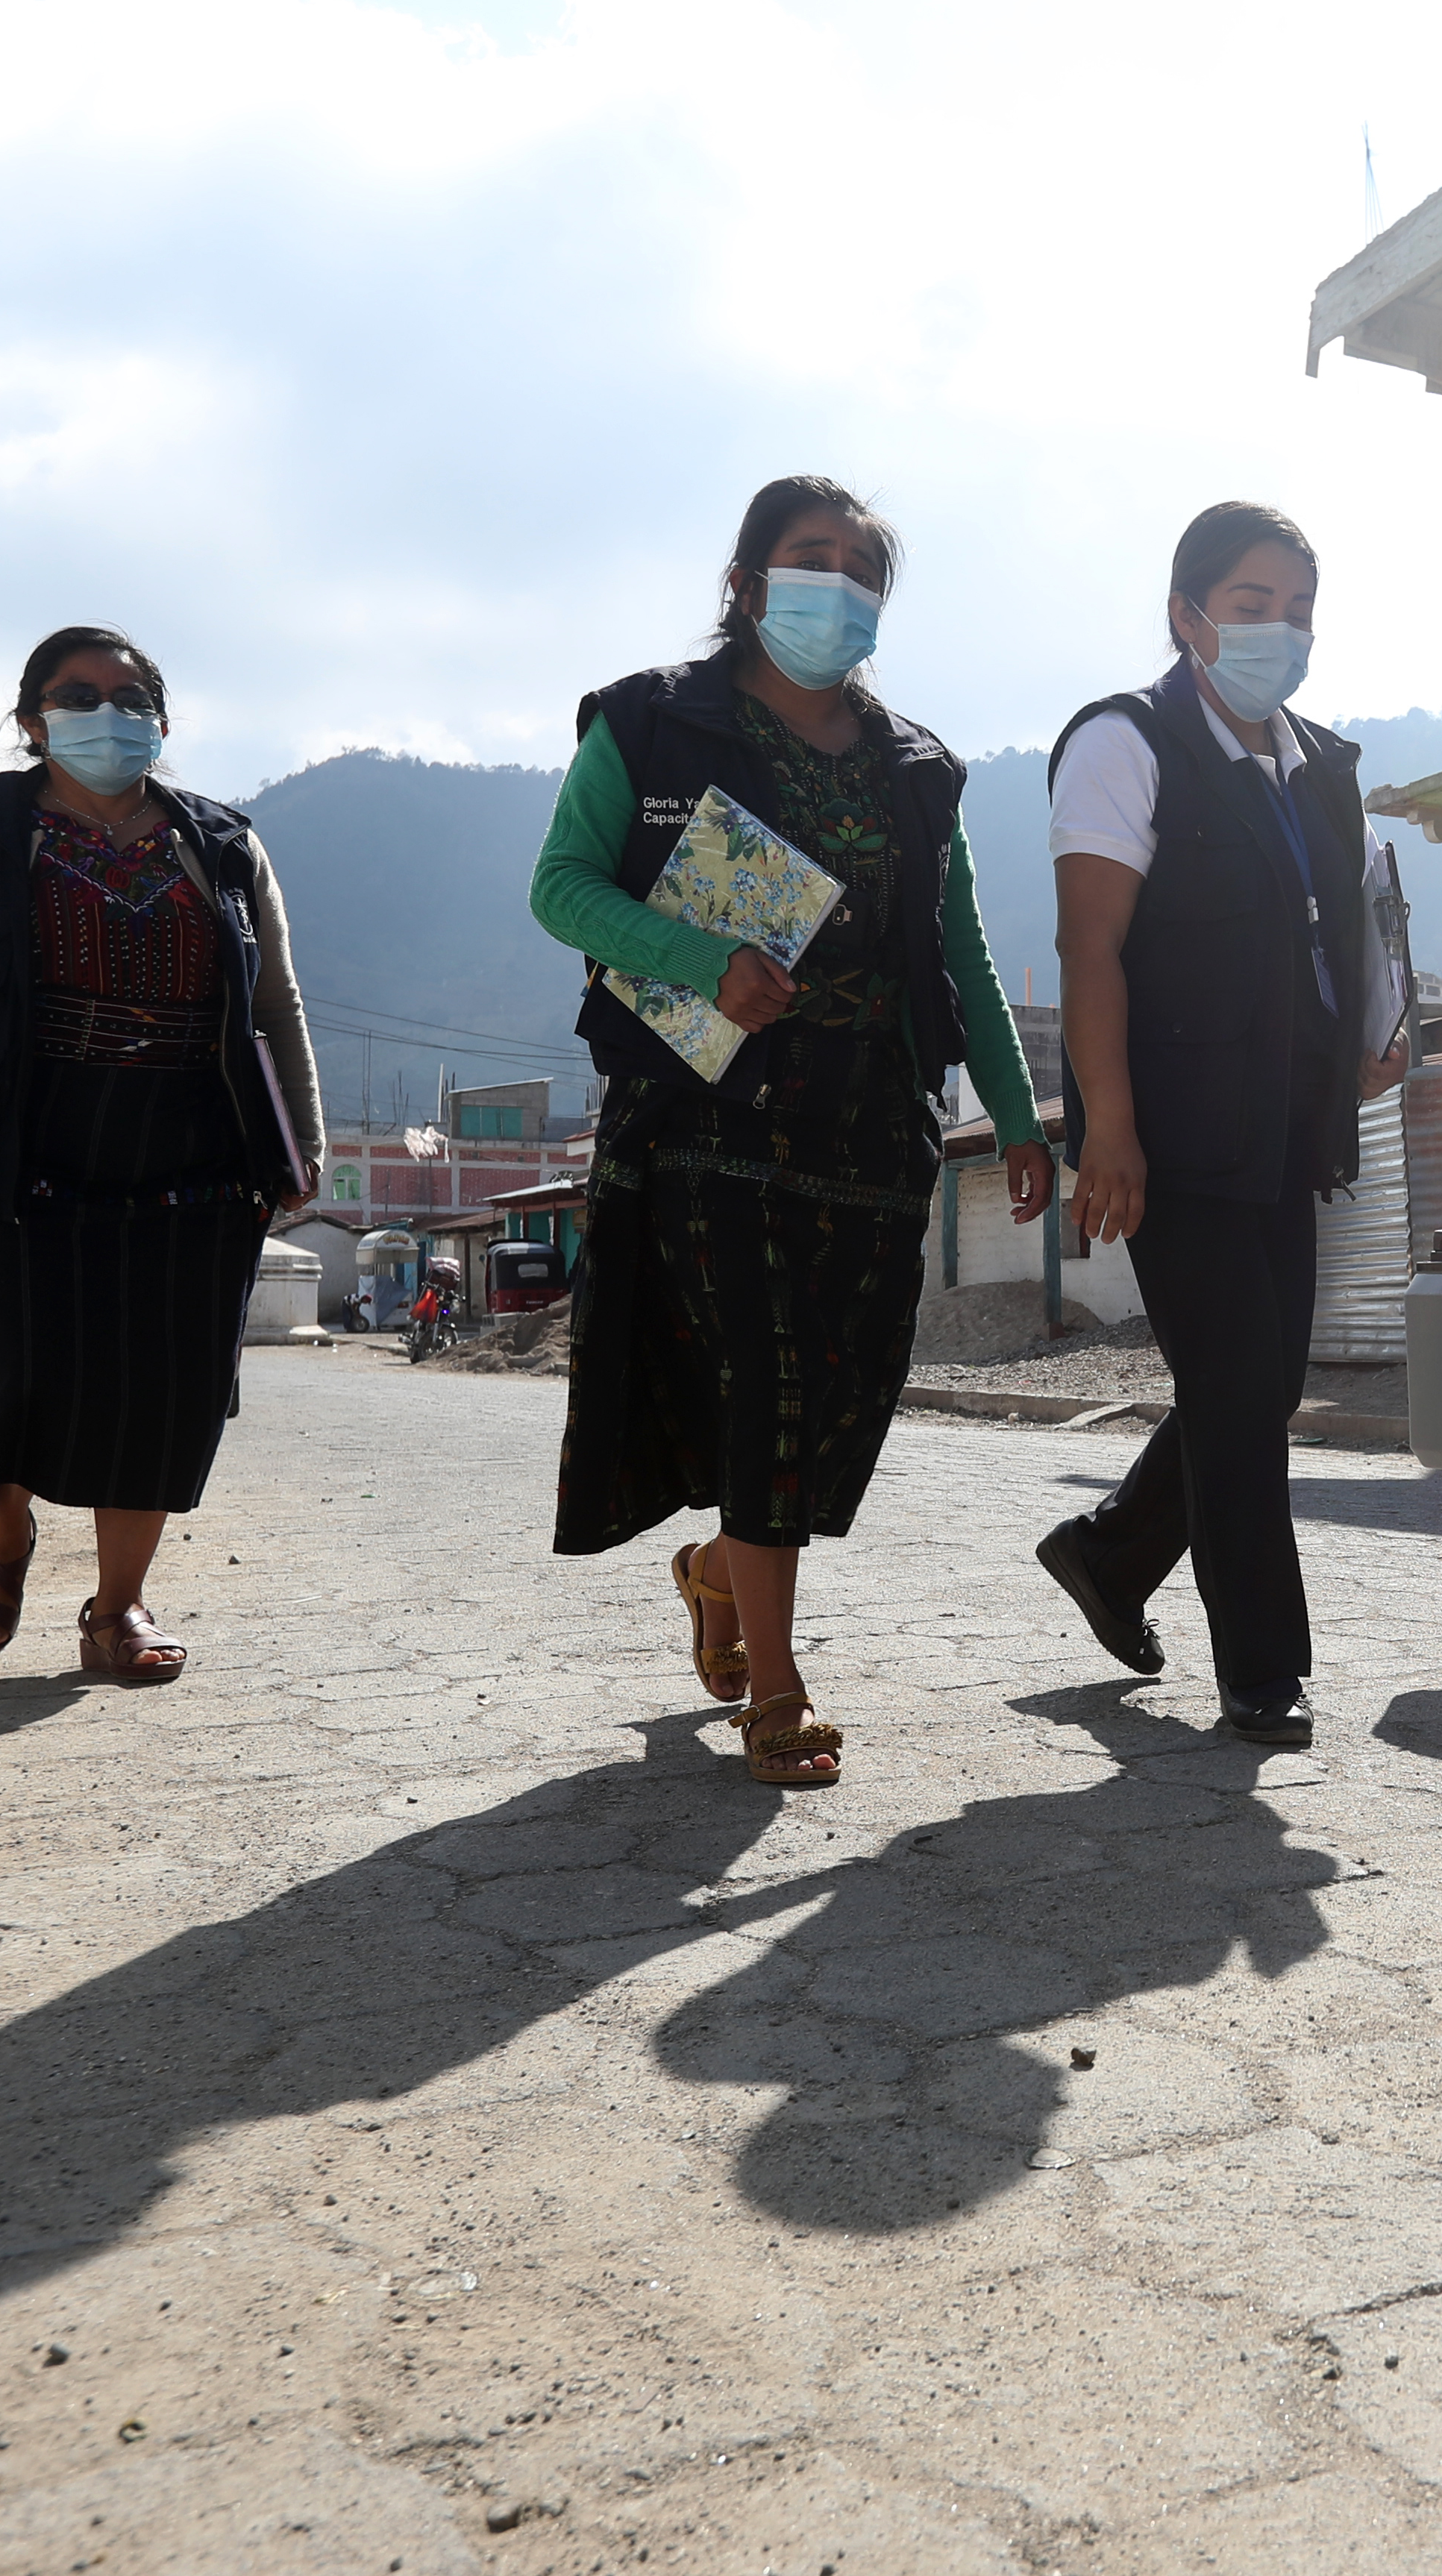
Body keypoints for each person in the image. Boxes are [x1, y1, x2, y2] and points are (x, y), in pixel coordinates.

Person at [533, 475, 1052, 1784]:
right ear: (748, 581)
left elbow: (962, 954)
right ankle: (779, 1685)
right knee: (765, 1395)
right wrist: (699, 958)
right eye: (808, 557)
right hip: (712, 1116)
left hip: (876, 1130)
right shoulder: (653, 721)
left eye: (861, 568)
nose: (837, 585)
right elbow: (563, 888)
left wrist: (1017, 1112)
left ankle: (719, 1572)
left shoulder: (918, 768)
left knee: (839, 1407)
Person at [0, 624, 321, 1682]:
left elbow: (274, 1002)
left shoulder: (227, 843)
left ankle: (120, 1607)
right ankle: (4, 1541)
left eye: (129, 696)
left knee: (165, 1382)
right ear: (31, 719)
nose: (108, 713)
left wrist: (300, 1142)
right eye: (78, 695)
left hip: (195, 1146)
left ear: (163, 721)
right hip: (20, 1141)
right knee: (18, 1361)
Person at [1036, 501, 1408, 1745]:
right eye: (1253, 605)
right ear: (1187, 615)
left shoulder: (1320, 765)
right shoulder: (1125, 741)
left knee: (1261, 1380)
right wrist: (1111, 1128)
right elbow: (1092, 946)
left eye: (1299, 609)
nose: (1280, 631)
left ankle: (1108, 1552)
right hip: (1172, 1129)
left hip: (1285, 1125)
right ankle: (1262, 1665)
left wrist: (1363, 1039)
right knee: (1239, 1384)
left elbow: (1333, 935)